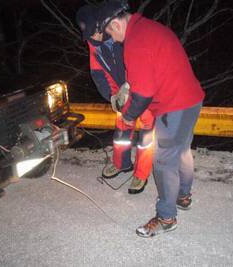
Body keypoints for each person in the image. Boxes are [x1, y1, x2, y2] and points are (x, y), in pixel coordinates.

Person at [98, 1, 205, 237]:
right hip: (191, 98)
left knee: (164, 161)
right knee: (182, 150)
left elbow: (144, 93)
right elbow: (149, 77)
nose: (113, 39)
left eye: (111, 33)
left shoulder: (135, 41)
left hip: (174, 105)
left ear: (116, 23)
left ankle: (166, 217)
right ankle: (183, 196)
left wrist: (127, 117)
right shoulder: (148, 28)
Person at [76, 4, 155, 194]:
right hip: (122, 93)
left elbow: (142, 66)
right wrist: (113, 96)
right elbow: (99, 75)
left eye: (95, 32)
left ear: (103, 25)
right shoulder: (94, 45)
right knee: (121, 130)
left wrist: (132, 88)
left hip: (141, 91)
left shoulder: (123, 35)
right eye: (89, 35)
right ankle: (121, 164)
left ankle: (141, 174)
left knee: (146, 134)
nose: (93, 38)